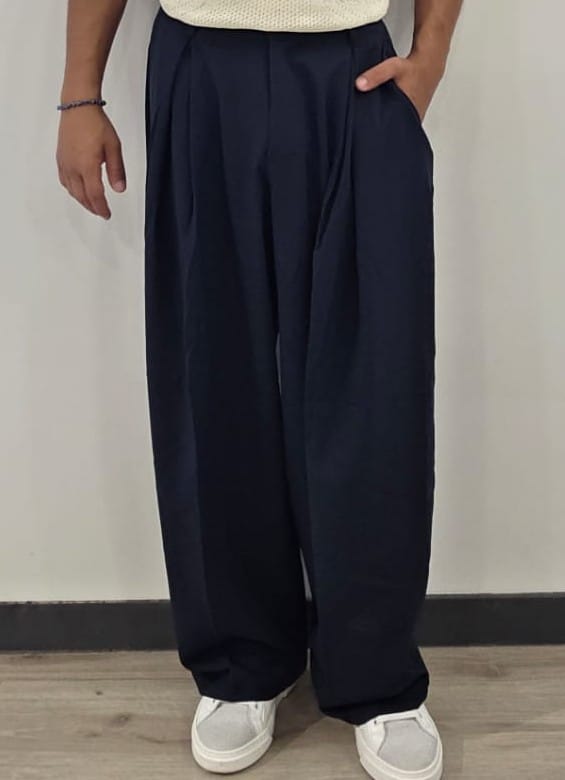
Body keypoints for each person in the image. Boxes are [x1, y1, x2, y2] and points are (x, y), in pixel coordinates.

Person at [57, 1, 463, 777]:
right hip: (201, 63)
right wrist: (81, 93)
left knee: (373, 376)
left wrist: (431, 54)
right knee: (211, 366)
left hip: (355, 70)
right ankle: (241, 662)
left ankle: (376, 675)